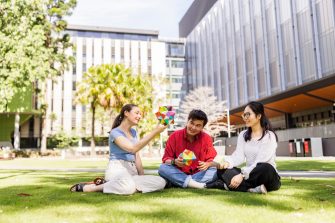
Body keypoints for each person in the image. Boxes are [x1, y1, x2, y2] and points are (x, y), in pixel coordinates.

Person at [70, 104, 167, 195]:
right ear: (126, 113)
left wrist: (141, 177)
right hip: (117, 169)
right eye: (137, 113)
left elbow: (136, 155)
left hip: (132, 171)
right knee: (128, 187)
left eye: (140, 114)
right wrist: (155, 131)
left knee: (161, 182)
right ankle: (92, 187)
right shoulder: (114, 132)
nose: (139, 116)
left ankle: (116, 185)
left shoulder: (133, 132)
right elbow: (132, 149)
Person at [206, 101, 281, 194]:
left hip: (266, 177)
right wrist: (226, 162)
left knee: (266, 167)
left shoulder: (269, 136)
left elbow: (261, 161)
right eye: (244, 115)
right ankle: (252, 189)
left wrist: (242, 175)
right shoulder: (243, 135)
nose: (245, 118)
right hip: (249, 176)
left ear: (258, 116)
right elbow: (238, 157)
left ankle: (225, 185)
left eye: (248, 114)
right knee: (222, 170)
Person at [158, 109, 218, 189]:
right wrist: (174, 161)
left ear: (202, 127)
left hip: (198, 174)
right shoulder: (174, 136)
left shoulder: (206, 138)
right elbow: (166, 159)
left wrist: (208, 164)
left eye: (198, 125)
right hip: (178, 172)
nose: (193, 127)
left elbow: (210, 160)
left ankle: (177, 182)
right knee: (163, 168)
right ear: (188, 121)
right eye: (192, 123)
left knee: (215, 170)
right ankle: (194, 184)